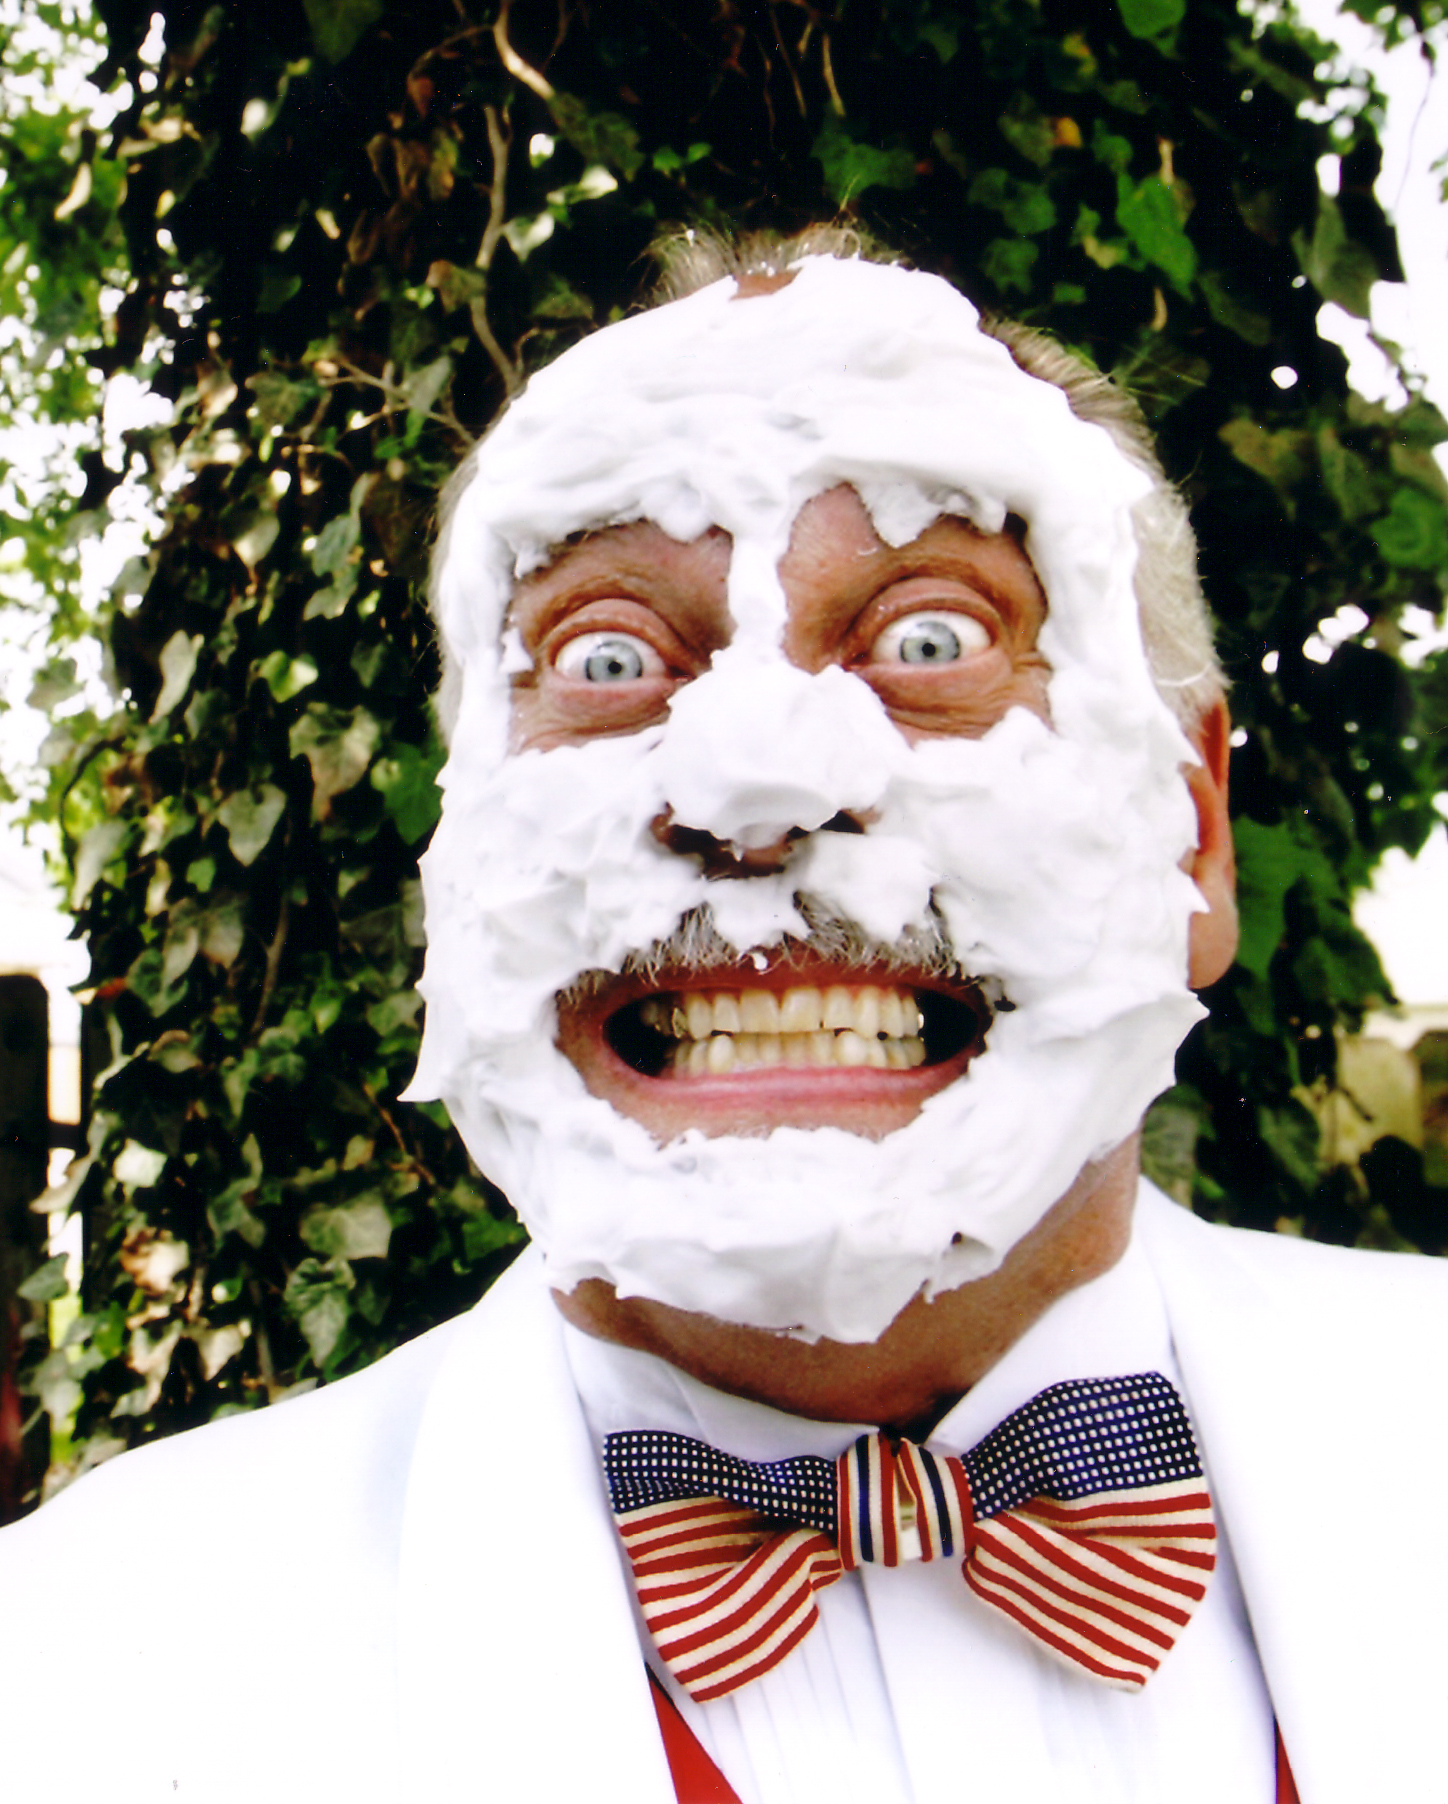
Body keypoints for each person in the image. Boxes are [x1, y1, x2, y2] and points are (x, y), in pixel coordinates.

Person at [0, 230, 1443, 1804]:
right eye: (608, 657)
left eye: (931, 642)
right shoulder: (82, 1666)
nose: (755, 785)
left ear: (1192, 834)